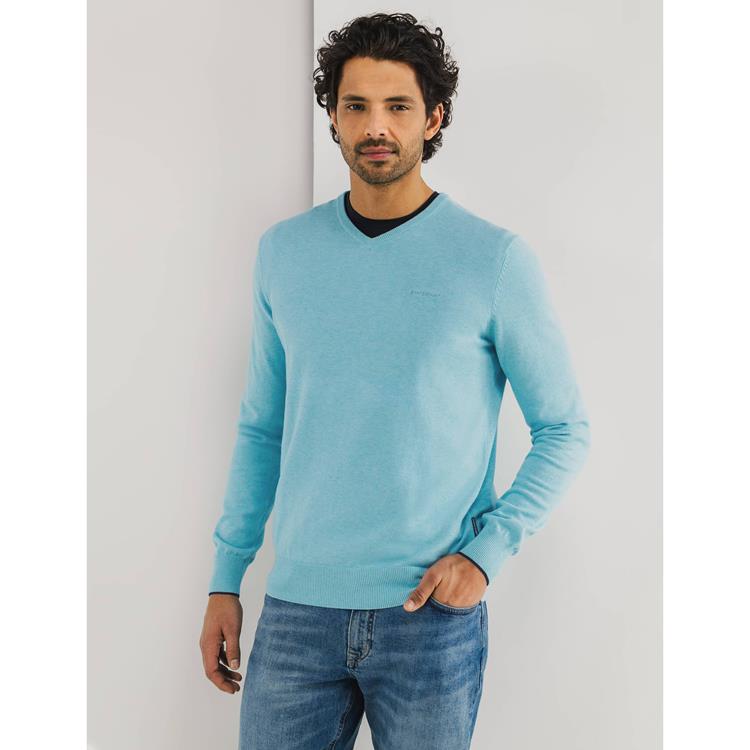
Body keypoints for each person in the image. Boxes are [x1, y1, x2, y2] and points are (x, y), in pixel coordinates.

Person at [199, 12, 591, 749]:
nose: (375, 126)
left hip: (430, 618)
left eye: (398, 106)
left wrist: (484, 557)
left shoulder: (492, 259)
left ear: (432, 117)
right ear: (333, 117)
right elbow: (262, 426)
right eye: (356, 105)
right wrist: (227, 576)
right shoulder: (284, 253)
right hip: (296, 612)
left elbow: (565, 429)